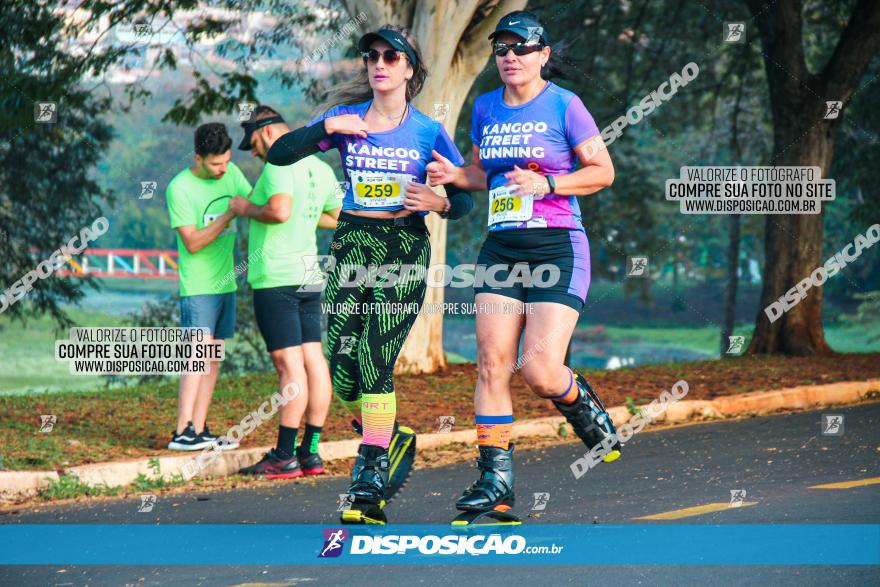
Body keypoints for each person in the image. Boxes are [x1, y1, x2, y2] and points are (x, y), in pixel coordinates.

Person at [268, 25, 472, 522]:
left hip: (404, 244)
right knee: (343, 370)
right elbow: (277, 154)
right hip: (353, 242)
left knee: (374, 358)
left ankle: (369, 477)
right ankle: (388, 429)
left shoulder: (428, 131)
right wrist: (325, 131)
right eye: (371, 56)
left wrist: (440, 202)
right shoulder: (343, 120)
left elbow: (464, 196)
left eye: (390, 56)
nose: (379, 63)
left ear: (409, 70)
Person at [426, 11, 619, 523]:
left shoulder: (565, 105)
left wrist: (548, 185)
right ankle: (496, 483)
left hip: (558, 247)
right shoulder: (486, 107)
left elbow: (603, 171)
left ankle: (583, 406)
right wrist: (453, 176)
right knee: (491, 364)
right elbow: (480, 173)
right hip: (502, 248)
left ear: (543, 55)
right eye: (501, 48)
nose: (510, 56)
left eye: (521, 47)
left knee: (537, 370)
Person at [231, 105, 342, 478]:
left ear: (264, 133)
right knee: (314, 360)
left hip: (277, 274)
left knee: (288, 366)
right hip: (310, 272)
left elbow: (278, 210)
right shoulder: (320, 167)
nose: (257, 153)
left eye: (255, 146)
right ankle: (309, 453)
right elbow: (337, 216)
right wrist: (306, 218)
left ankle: (283, 454)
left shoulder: (279, 163)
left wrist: (244, 207)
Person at [165, 123, 252, 450]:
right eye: (217, 164)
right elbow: (193, 242)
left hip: (225, 283)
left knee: (213, 357)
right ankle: (181, 430)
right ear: (198, 158)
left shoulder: (231, 175)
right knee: (197, 356)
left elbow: (254, 202)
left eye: (227, 162)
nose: (224, 170)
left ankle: (199, 430)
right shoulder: (180, 188)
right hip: (198, 286)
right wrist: (228, 216)